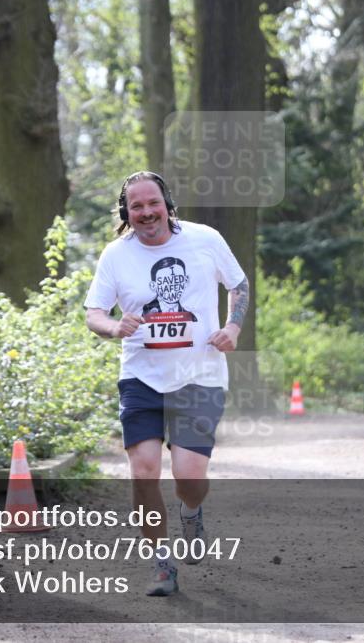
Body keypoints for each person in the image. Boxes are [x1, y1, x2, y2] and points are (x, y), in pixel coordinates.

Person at [84, 171, 249, 597]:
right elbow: (94, 313)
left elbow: (239, 284)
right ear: (126, 212)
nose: (145, 213)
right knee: (143, 474)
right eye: (135, 206)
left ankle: (191, 512)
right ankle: (161, 563)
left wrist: (232, 328)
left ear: (167, 204)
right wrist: (114, 327)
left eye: (152, 203)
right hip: (141, 377)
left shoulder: (204, 239)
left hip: (200, 377)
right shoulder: (116, 255)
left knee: (189, 478)